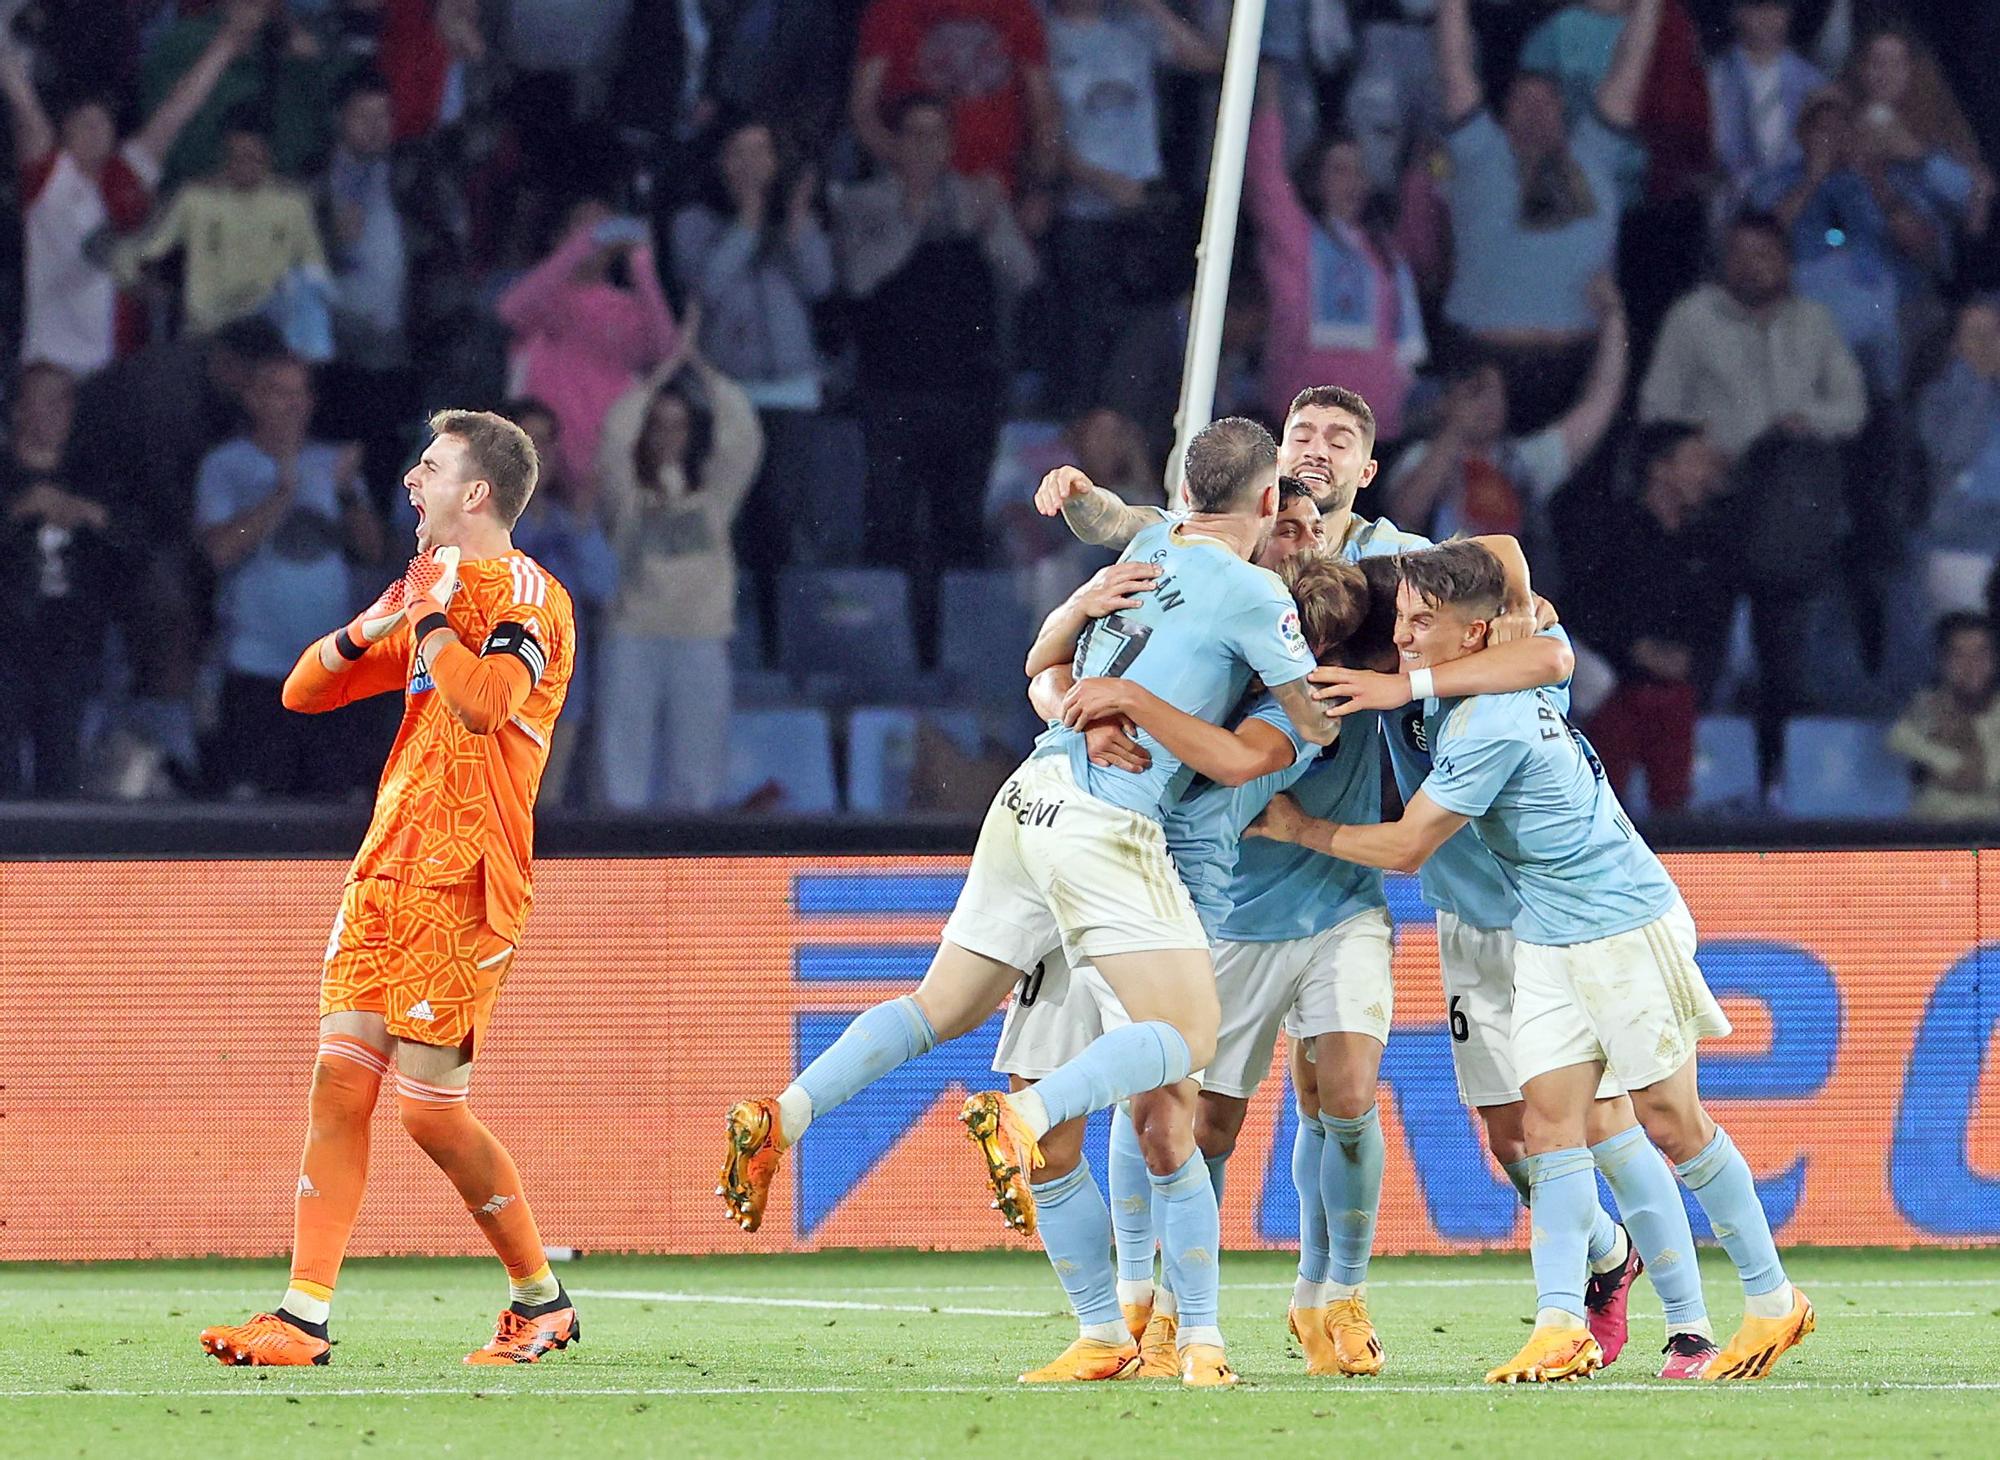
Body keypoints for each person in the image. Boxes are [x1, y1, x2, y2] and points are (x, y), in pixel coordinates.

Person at [718, 419, 1336, 1389]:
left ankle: (787, 1113)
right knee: (1187, 1039)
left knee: (940, 1007)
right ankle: (1083, 1190)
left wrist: (1092, 641)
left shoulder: (1150, 545)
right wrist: (1357, 688)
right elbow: (1302, 722)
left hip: (1028, 799)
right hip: (1107, 833)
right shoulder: (1256, 595)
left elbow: (1073, 612)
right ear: (1266, 504)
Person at [1248, 540, 1815, 1384]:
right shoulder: (1500, 674)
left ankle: (1771, 1302)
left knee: (1670, 1123)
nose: (1402, 637)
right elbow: (1534, 641)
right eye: (1400, 618)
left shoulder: (1493, 721)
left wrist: (1300, 829)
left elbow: (1406, 847)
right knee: (1549, 1129)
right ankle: (1559, 1325)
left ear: (1475, 634)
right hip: (1547, 933)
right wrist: (1412, 676)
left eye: (1420, 623)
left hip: (1619, 925)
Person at [199, 410, 580, 1367]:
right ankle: (301, 1316)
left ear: (477, 492)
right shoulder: (427, 589)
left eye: (430, 467)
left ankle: (541, 1300)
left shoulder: (527, 596)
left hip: (466, 874)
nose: (411, 481)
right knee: (338, 1081)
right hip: (388, 864)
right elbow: (302, 691)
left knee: (427, 1110)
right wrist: (374, 621)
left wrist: (429, 617)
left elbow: (486, 703)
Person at [1639, 210, 1866, 795]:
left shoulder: (1814, 322)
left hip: (1787, 509)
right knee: (1706, 649)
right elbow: (1658, 406)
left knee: (1783, 638)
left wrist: (1803, 420)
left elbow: (1852, 408)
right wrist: (1700, 446)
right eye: (1738, 253)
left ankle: (1778, 783)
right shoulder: (1694, 317)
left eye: (1763, 254)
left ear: (1786, 262)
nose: (1751, 265)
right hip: (1712, 506)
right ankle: (1697, 785)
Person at [832, 95, 1039, 658]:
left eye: (936, 136)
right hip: (892, 392)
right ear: (895, 143)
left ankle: (960, 652)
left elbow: (1023, 275)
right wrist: (912, 217)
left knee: (961, 529)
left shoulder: (976, 200)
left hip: (968, 393)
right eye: (915, 135)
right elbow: (857, 278)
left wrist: (995, 220)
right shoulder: (864, 204)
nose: (926, 148)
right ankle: (885, 649)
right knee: (890, 526)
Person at [1432, 0, 1659, 431]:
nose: (1535, 111)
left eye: (1546, 103)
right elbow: (1454, 64)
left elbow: (1630, 67)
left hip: (1577, 363)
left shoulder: (1595, 152)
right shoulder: (1479, 151)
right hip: (1483, 361)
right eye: (1523, 102)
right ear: (1503, 113)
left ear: (1564, 112)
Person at [1, 8, 256, 376]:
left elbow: (178, 109)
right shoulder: (50, 178)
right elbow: (24, 105)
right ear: (64, 135)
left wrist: (226, 43)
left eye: (102, 122)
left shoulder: (126, 171)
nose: (96, 130)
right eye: (84, 124)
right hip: (53, 365)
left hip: (118, 364)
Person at [195, 355, 384, 799]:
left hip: (331, 669)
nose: (291, 405)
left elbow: (373, 551)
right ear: (253, 399)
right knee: (257, 809)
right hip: (255, 667)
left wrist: (346, 492)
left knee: (330, 808)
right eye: (279, 392)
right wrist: (280, 494)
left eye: (299, 393)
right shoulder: (226, 465)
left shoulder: (333, 463)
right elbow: (220, 549)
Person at [669, 119, 835, 602]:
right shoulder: (693, 222)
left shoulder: (796, 220)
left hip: (793, 390)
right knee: (730, 517)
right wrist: (746, 221)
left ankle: (790, 631)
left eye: (761, 152)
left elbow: (821, 282)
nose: (751, 164)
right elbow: (707, 288)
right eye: (738, 152)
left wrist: (797, 223)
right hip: (724, 391)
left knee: (790, 519)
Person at [593, 351, 764, 812]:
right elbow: (612, 437)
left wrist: (704, 370)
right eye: (659, 424)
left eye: (679, 425)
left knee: (698, 772)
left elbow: (743, 439)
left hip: (701, 640)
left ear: (692, 435)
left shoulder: (714, 499)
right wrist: (661, 371)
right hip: (633, 637)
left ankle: (691, 873)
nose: (669, 436)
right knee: (621, 772)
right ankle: (618, 870)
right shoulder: (625, 498)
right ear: (645, 432)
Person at [1385, 279, 1629, 583]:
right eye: (1476, 391)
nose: (1489, 403)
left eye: (1496, 392)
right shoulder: (1420, 458)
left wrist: (1613, 318)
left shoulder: (1524, 462)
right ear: (1447, 400)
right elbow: (1405, 515)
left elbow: (1599, 403)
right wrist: (1455, 432)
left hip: (1511, 610)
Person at [1042, 0, 1220, 412]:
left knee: (1143, 357)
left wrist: (1148, 6)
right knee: (1085, 358)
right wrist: (1102, 182)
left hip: (1143, 217)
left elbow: (1209, 61)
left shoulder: (1134, 28)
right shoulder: (1047, 33)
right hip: (1082, 216)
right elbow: (1044, 130)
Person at [1245, 62, 1427, 444]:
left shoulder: (1385, 252)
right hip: (1303, 431)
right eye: (1339, 170)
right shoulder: (1295, 237)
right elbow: (1265, 177)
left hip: (1372, 433)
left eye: (1359, 171)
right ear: (1315, 178)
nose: (1353, 182)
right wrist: (1267, 101)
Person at [1559, 422, 1732, 814]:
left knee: (1674, 808)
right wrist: (1634, 649)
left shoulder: (1708, 545)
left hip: (1676, 695)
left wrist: (1690, 662)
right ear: (1660, 468)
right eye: (1696, 460)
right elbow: (1585, 609)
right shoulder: (1612, 532)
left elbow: (1712, 626)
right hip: (1612, 691)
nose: (1708, 472)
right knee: (1603, 803)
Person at [495, 201, 681, 510]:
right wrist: (579, 247)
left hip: (609, 459)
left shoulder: (627, 306)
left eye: (604, 228)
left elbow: (665, 352)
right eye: (583, 226)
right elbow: (508, 312)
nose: (598, 238)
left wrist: (641, 266)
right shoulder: (545, 297)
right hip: (547, 459)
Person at [0, 363, 121, 797]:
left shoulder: (94, 473)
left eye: (66, 400)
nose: (57, 411)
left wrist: (91, 516)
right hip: (7, 635)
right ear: (17, 409)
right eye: (45, 399)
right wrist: (19, 512)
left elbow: (138, 540)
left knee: (63, 761)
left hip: (73, 635)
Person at [117, 110, 330, 339]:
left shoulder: (292, 204)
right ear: (223, 156)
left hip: (272, 335)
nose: (244, 165)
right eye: (236, 156)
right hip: (207, 333)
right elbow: (136, 251)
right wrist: (136, 282)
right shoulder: (194, 198)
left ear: (269, 156)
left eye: (253, 157)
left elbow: (314, 269)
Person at [505, 398, 617, 808]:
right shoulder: (478, 527)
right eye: (526, 442)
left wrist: (585, 527)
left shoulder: (570, 523)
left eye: (547, 444)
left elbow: (604, 587)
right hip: (497, 701)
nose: (538, 455)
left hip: (560, 701)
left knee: (547, 819)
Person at [850, 0, 1058, 202]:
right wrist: (907, 162)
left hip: (997, 191)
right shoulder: (892, 7)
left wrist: (1037, 190)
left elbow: (1042, 111)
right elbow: (863, 111)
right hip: (911, 196)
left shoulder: (1016, 7)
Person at [1915, 296, 2000, 619]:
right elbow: (1952, 450)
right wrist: (1980, 382)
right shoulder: (1937, 395)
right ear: (1954, 343)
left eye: (1993, 332)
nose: (1985, 342)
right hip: (1963, 537)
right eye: (1974, 332)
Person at [1709, 0, 1830, 211]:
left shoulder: (1813, 82)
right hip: (1730, 200)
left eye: (1776, 8)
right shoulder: (1716, 77)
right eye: (1757, 7)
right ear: (1737, 13)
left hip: (1794, 202)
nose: (1767, 18)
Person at [1887, 613, 2000, 823]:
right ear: (1943, 661)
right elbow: (1899, 739)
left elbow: (1978, 776)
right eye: (1959, 655)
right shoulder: (1923, 710)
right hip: (1935, 840)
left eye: (1980, 654)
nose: (1971, 666)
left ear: (1994, 660)